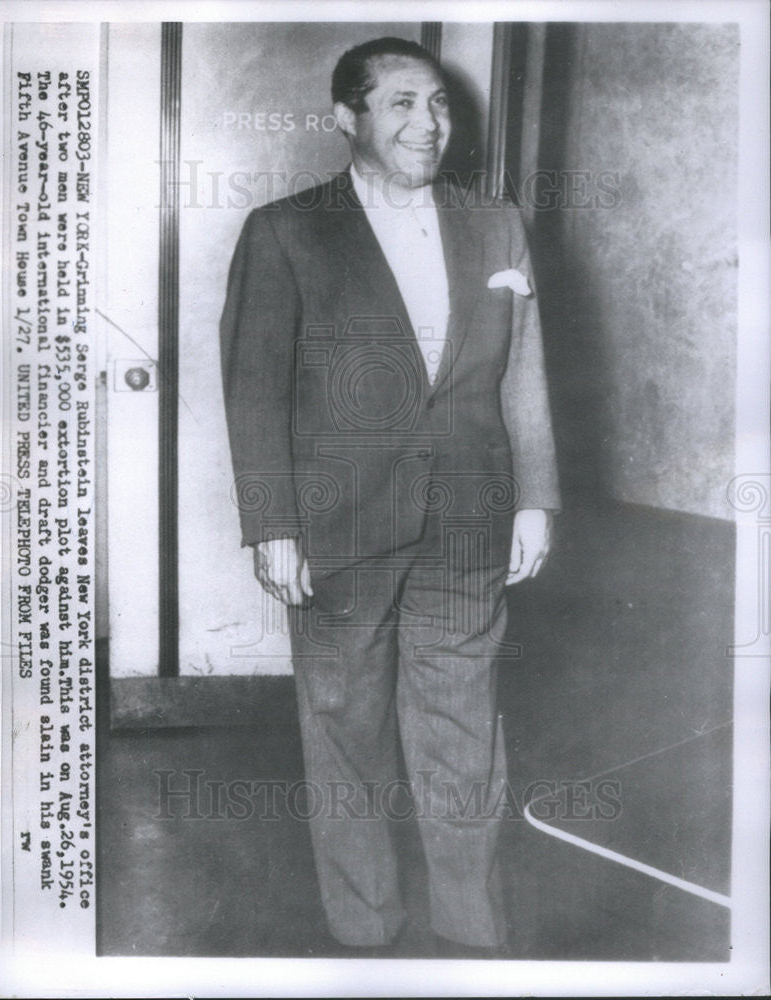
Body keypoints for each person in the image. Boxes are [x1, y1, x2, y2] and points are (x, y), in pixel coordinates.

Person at [220, 36, 559, 956]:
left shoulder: (494, 223)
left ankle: (473, 934)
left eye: (439, 103)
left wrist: (535, 498)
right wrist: (272, 523)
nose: (428, 122)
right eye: (401, 103)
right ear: (348, 119)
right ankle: (365, 933)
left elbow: (520, 373)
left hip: (470, 521)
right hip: (338, 525)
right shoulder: (285, 229)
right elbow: (253, 388)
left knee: (461, 736)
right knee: (345, 734)